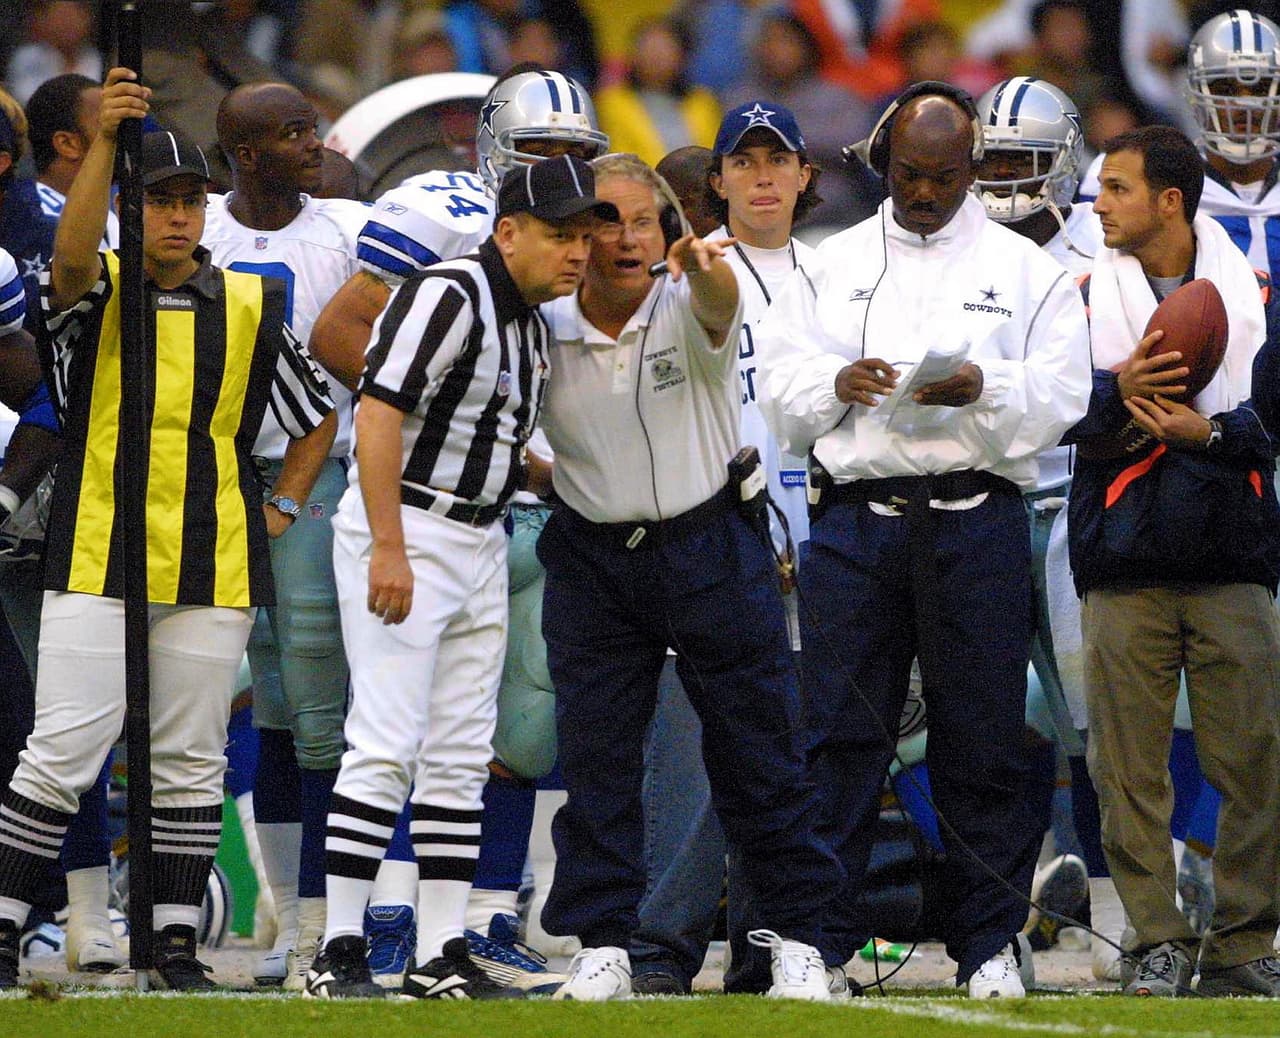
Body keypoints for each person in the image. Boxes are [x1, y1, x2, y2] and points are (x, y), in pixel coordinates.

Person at [0, 67, 336, 992]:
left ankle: (176, 941)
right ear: (126, 210)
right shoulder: (95, 291)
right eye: (159, 202)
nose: (180, 217)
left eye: (191, 200)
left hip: (212, 555)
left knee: (190, 760)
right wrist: (105, 138)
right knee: (65, 744)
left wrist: (280, 508)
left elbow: (316, 417)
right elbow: (68, 263)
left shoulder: (249, 303)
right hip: (98, 546)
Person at [755, 81, 1091, 998]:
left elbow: (1065, 399)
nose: (927, 194)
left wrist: (985, 385)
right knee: (834, 740)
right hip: (858, 518)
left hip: (976, 515)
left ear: (975, 168)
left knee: (981, 738)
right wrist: (840, 383)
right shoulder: (829, 261)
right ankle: (819, 945)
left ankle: (986, 946)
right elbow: (780, 397)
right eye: (910, 175)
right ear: (881, 162)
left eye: (945, 177)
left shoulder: (1032, 274)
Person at [308, 65, 609, 988]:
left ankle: (442, 950)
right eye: (559, 236)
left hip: (479, 535)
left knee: (456, 759)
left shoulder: (523, 320)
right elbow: (378, 409)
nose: (575, 254)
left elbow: (478, 426)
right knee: (385, 741)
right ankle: (338, 949)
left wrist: (552, 478)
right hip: (414, 529)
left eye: (583, 237)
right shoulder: (447, 288)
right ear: (507, 227)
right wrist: (389, 544)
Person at [536, 151, 842, 1003]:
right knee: (597, 758)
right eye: (605, 218)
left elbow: (720, 306)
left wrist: (708, 270)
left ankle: (800, 942)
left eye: (643, 219)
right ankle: (603, 944)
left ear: (669, 229)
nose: (626, 237)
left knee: (762, 755)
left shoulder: (696, 299)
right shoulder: (544, 323)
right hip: (594, 555)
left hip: (709, 545)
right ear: (575, 232)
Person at [1065, 123, 1280, 998]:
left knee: (1256, 761)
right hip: (1122, 553)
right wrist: (1118, 394)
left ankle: (1243, 939)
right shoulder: (1077, 293)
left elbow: (1273, 424)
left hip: (1231, 551)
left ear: (1169, 201)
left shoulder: (1257, 290)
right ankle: (1154, 937)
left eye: (1115, 189)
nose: (1098, 205)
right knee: (1127, 769)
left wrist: (1212, 432)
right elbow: (1047, 411)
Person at [629, 101, 833, 997]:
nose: (759, 175)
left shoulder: (846, 276)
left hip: (827, 535)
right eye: (740, 161)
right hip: (712, 531)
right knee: (693, 749)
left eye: (775, 159)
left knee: (784, 752)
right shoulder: (691, 276)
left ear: (802, 175)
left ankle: (766, 944)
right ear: (715, 182)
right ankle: (662, 948)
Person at [203, 79, 368, 990]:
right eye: (294, 132)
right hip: (216, 477)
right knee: (261, 693)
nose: (315, 143)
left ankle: (320, 924)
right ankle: (286, 919)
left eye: (312, 127)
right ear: (246, 151)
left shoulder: (348, 229)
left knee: (315, 690)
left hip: (320, 473)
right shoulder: (204, 230)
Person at [972, 72, 1101, 965]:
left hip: (1071, 501)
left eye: (1028, 161)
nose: (1012, 179)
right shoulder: (961, 247)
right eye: (999, 161)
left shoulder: (1105, 245)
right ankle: (988, 912)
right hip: (980, 502)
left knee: (1097, 727)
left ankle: (1114, 901)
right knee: (972, 721)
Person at [25, 73, 120, 248]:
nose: (120, 135)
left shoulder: (113, 213)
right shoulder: (31, 222)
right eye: (106, 125)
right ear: (67, 144)